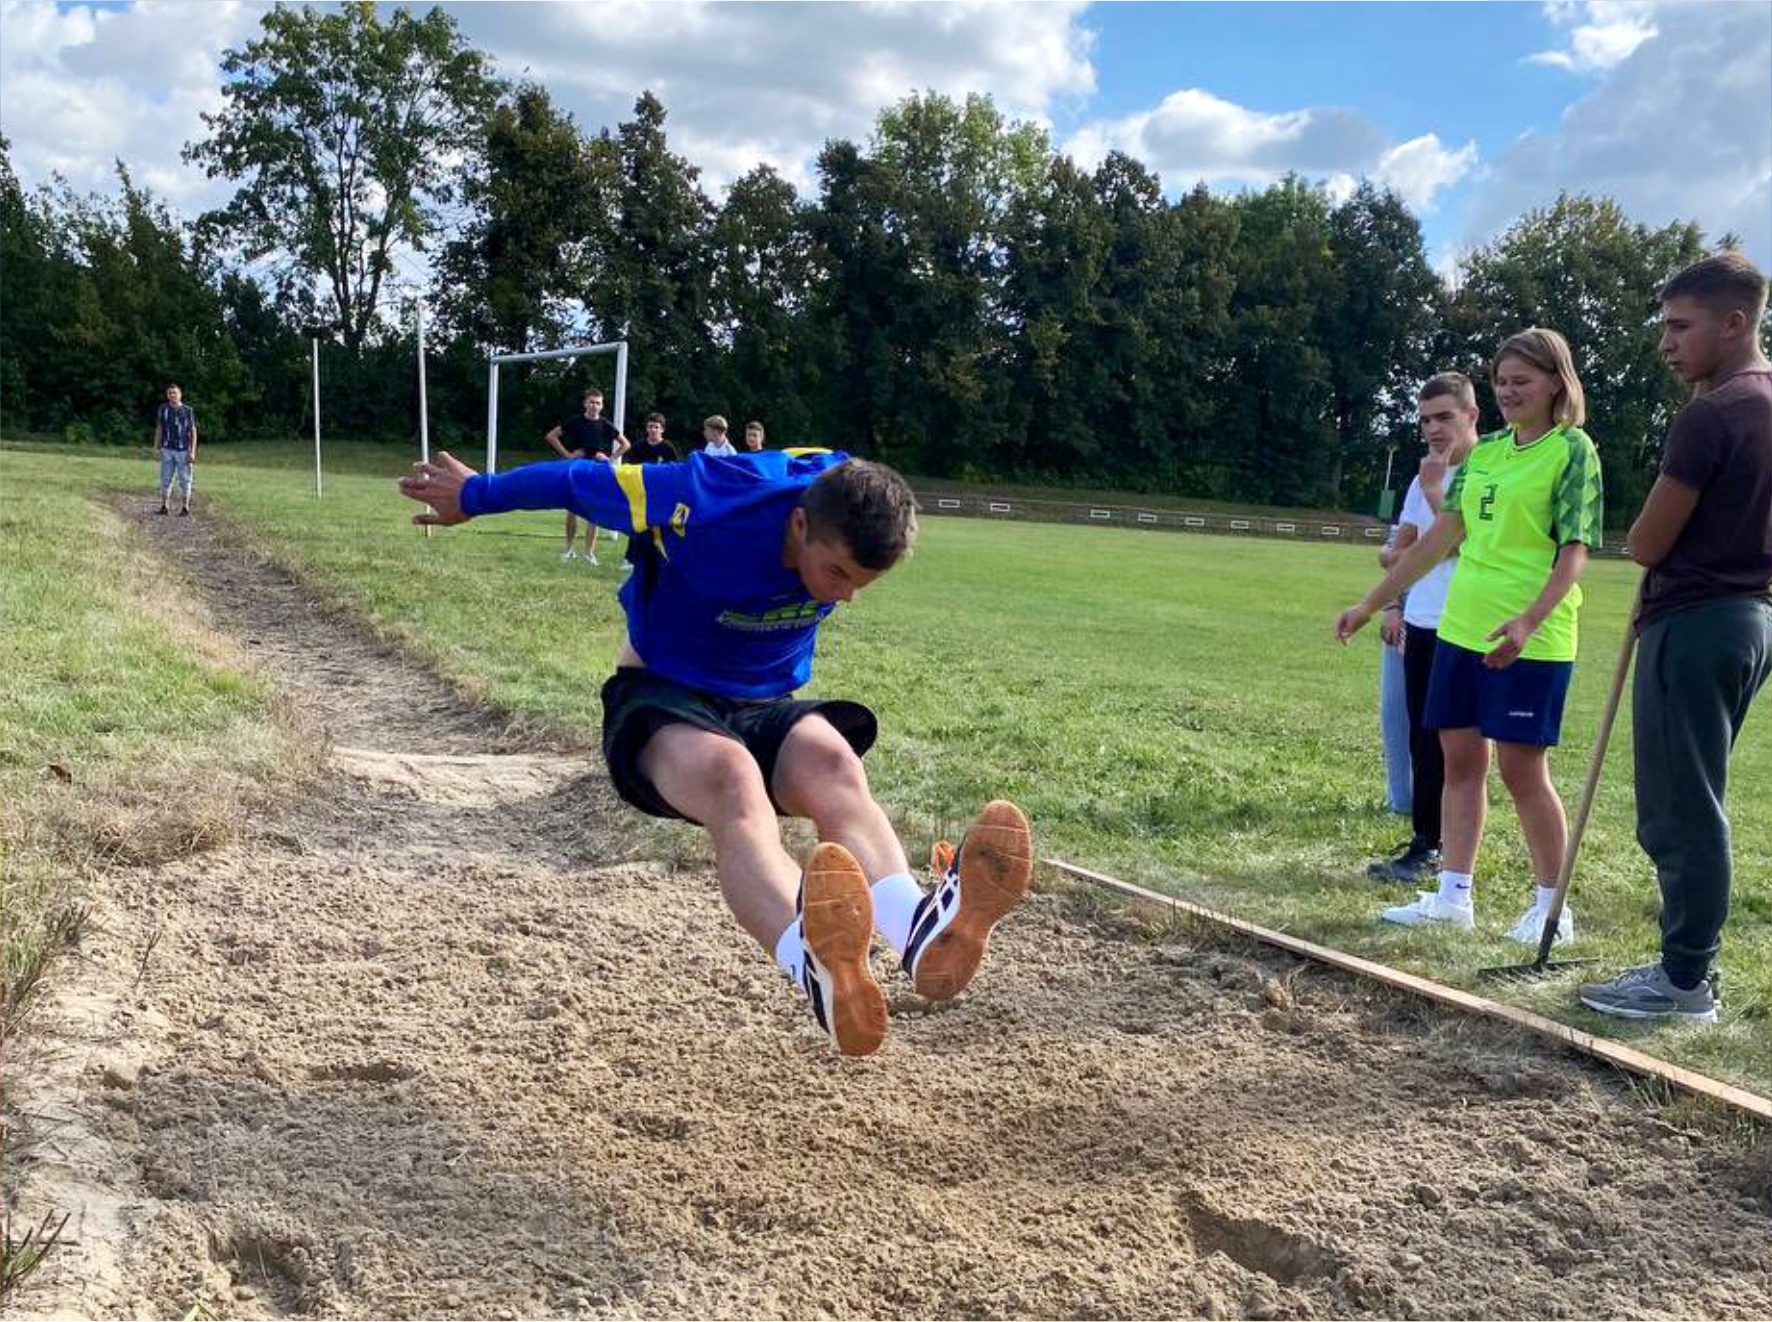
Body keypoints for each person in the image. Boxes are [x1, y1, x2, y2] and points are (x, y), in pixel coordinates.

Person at [396, 444, 1032, 1057]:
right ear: (799, 523)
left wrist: (839, 576)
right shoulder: (702, 500)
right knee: (734, 781)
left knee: (835, 763)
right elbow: (577, 483)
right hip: (662, 697)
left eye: (862, 583)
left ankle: (918, 931)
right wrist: (476, 496)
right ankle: (816, 962)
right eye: (837, 573)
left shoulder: (841, 484)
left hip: (761, 701)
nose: (843, 596)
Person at [1335, 329, 1603, 944]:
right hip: (1460, 631)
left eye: (1522, 380)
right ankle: (1453, 896)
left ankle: (1552, 910)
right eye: (1501, 381)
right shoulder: (1485, 455)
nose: (1509, 391)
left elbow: (1576, 551)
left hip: (1529, 639)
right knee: (1459, 762)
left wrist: (1529, 620)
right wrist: (1371, 603)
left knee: (1522, 771)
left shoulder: (1572, 449)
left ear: (1555, 382)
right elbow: (1438, 540)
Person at [1580, 252, 1772, 1023]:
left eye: (1680, 327)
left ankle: (1685, 979)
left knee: (1681, 808)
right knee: (1698, 796)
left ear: (1735, 323)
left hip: (1694, 620)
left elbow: (1646, 542)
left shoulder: (1713, 414)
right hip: (1751, 616)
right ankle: (1687, 968)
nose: (1665, 343)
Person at [1367, 373, 1482, 883]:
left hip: (1465, 622)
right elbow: (1400, 549)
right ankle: (1424, 841)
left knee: (1452, 742)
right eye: (1425, 420)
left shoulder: (1484, 471)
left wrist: (1437, 494)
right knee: (1420, 734)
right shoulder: (1423, 477)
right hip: (1422, 618)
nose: (1433, 429)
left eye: (1444, 417)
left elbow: (1467, 542)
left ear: (1471, 416)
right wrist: (1393, 598)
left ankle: (1442, 849)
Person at [544, 388, 628, 564]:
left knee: (594, 512)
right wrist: (568, 455)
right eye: (591, 402)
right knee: (572, 510)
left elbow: (626, 444)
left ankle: (589, 553)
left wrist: (609, 459)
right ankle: (569, 551)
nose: (594, 406)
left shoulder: (606, 425)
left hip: (597, 471)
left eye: (598, 403)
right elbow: (551, 436)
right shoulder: (575, 421)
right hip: (577, 469)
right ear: (585, 403)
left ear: (602, 406)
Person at [1376, 527, 1413, 820]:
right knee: (1395, 712)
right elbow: (1388, 553)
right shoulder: (1418, 499)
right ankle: (1401, 801)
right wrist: (1391, 606)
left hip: (1459, 614)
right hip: (1407, 610)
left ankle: (1435, 805)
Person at [153, 383, 198, 516]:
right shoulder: (163, 409)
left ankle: (185, 507)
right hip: (167, 449)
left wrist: (192, 451)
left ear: (180, 395)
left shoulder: (188, 410)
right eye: (170, 393)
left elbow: (193, 431)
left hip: (183, 450)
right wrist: (156, 447)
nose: (172, 395)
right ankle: (164, 506)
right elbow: (160, 428)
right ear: (167, 395)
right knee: (165, 479)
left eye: (175, 393)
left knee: (185, 480)